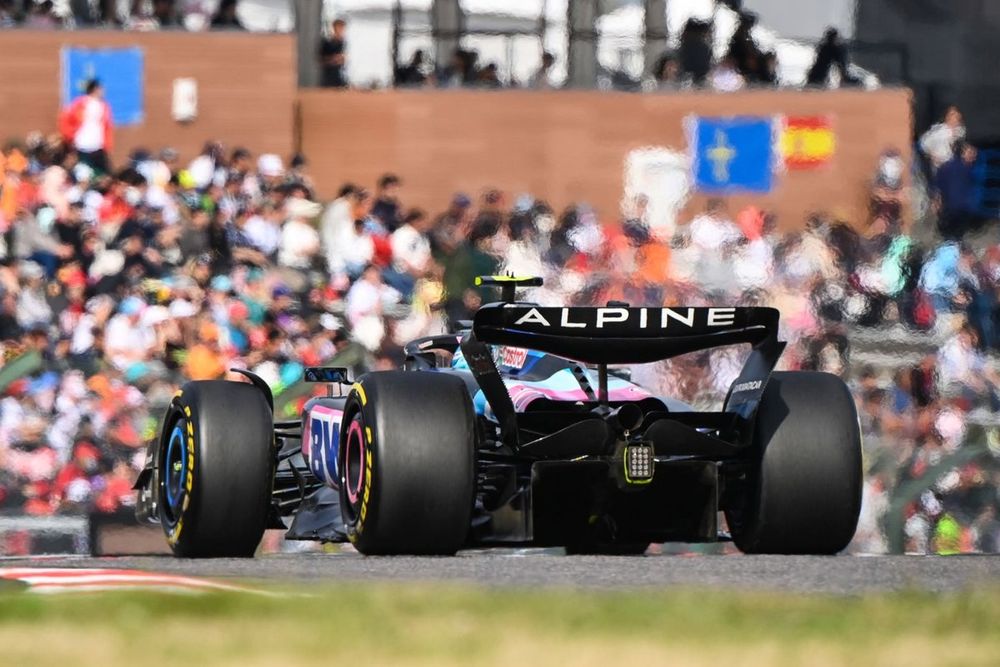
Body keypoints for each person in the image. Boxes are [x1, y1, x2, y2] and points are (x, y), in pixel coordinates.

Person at [58, 79, 114, 175]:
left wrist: (107, 144)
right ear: (95, 89)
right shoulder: (80, 104)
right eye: (100, 88)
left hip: (98, 146)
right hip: (82, 145)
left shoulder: (103, 106)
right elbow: (66, 120)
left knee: (105, 173)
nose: (103, 91)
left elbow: (106, 126)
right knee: (82, 172)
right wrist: (70, 137)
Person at [935, 141, 984, 239]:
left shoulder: (944, 167)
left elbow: (937, 189)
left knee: (949, 235)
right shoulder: (971, 169)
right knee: (958, 234)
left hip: (949, 208)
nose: (974, 155)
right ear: (962, 153)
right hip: (963, 209)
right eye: (970, 152)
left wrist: (938, 204)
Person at [920, 106, 967, 175]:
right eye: (952, 114)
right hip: (939, 165)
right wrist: (931, 155)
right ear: (947, 117)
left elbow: (962, 148)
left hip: (955, 166)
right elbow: (923, 143)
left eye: (957, 115)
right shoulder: (938, 130)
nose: (955, 117)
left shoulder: (961, 131)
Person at [320, 19, 348, 88]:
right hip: (328, 76)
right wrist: (333, 59)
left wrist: (342, 59)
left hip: (340, 75)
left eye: (342, 28)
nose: (341, 30)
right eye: (339, 28)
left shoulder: (342, 42)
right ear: (334, 28)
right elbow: (321, 59)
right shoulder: (327, 42)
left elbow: (342, 60)